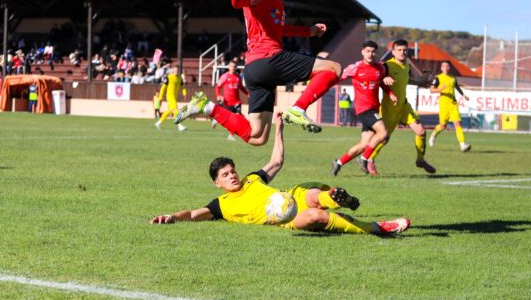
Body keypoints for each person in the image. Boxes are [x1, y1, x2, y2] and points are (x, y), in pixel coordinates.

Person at [175, 0, 342, 145]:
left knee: (257, 136)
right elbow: (240, 2)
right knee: (334, 68)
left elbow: (277, 29)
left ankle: (205, 106)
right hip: (268, 58)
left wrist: (308, 31)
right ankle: (298, 109)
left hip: (255, 69)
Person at [151, 112, 410, 235]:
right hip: (285, 219)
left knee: (312, 194)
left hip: (292, 197)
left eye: (233, 171)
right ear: (217, 183)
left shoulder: (252, 179)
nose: (232, 176)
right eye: (225, 175)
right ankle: (377, 228)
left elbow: (276, 161)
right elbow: (194, 214)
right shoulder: (221, 205)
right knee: (315, 216)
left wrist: (278, 129)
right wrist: (171, 217)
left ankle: (341, 199)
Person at [366, 39, 436, 175]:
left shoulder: (406, 66)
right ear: (393, 52)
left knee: (421, 131)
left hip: (404, 106)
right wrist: (382, 79)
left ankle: (420, 160)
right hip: (389, 108)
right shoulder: (386, 66)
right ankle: (369, 160)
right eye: (399, 50)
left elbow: (406, 79)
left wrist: (420, 83)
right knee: (384, 138)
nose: (403, 52)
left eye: (405, 50)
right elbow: (374, 76)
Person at [331, 41, 397, 177]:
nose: (370, 54)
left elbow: (382, 84)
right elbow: (338, 77)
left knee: (364, 144)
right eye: (368, 51)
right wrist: (323, 82)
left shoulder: (380, 68)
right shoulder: (355, 68)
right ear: (362, 52)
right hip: (363, 108)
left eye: (373, 52)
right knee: (383, 133)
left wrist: (390, 94)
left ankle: (338, 162)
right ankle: (364, 159)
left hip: (373, 108)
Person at [428, 60, 471, 152]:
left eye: (447, 66)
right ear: (441, 68)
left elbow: (457, 87)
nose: (446, 68)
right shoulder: (438, 78)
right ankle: (434, 134)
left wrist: (463, 95)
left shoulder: (453, 78)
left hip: (453, 104)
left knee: (458, 123)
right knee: (443, 126)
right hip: (443, 105)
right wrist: (440, 89)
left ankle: (462, 144)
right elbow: (431, 90)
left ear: (449, 67)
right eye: (444, 66)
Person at [213, 61, 249, 141]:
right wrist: (218, 95)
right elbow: (218, 86)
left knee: (238, 117)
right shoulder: (225, 76)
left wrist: (247, 93)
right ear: (228, 67)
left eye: (234, 66)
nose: (233, 68)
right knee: (226, 119)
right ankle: (216, 119)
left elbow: (241, 87)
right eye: (231, 66)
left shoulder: (238, 77)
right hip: (227, 102)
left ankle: (231, 135)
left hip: (237, 102)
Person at [154, 65, 187, 131]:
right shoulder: (169, 77)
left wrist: (184, 93)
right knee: (175, 109)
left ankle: (159, 123)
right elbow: (163, 87)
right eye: (175, 70)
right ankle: (179, 126)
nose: (176, 71)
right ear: (173, 70)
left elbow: (183, 87)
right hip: (169, 96)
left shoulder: (179, 78)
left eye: (177, 70)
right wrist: (160, 96)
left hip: (175, 97)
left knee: (169, 111)